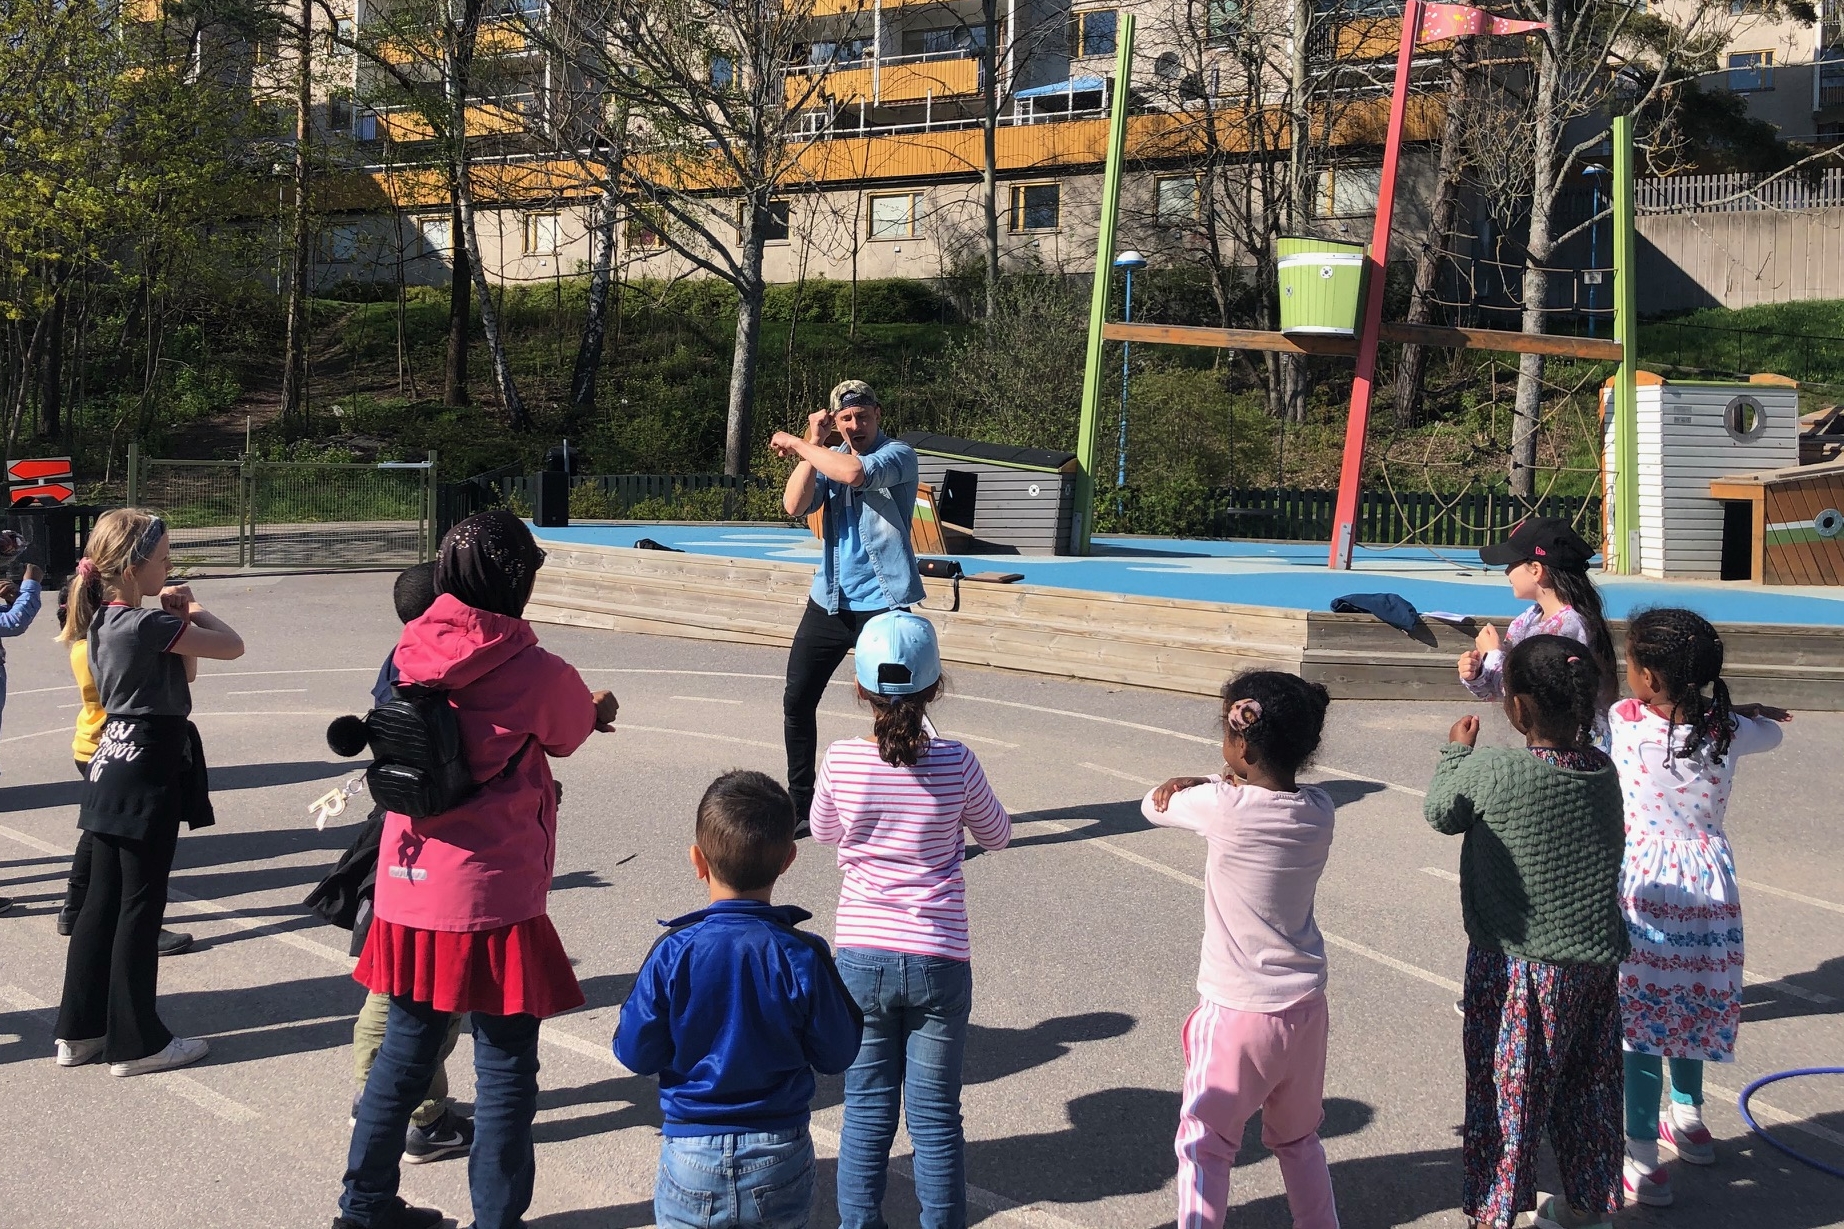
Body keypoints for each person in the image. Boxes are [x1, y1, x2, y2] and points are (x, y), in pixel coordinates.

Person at [336, 511, 619, 1229]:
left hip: (409, 879)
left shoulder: (411, 645)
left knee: (403, 1055)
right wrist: (593, 709)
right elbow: (568, 729)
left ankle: (362, 1208)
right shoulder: (536, 669)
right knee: (505, 1069)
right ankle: (496, 1217)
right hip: (491, 893)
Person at [809, 611, 1011, 1229]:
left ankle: (858, 1222)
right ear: (935, 686)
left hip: (861, 954)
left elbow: (821, 831)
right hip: (938, 953)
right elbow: (998, 835)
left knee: (865, 1110)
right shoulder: (956, 761)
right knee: (935, 1115)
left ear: (861, 687)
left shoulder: (842, 760)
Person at [1426, 635, 1628, 1229]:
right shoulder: (1602, 769)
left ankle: (1492, 1210)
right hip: (1593, 961)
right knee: (1590, 1089)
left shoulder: (1496, 769)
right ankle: (1590, 1205)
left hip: (1517, 967)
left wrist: (1454, 754)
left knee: (1505, 1098)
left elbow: (1441, 812)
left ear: (1515, 706)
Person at [616, 770, 864, 1229]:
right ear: (789, 859)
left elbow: (634, 1051)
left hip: (690, 1149)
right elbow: (838, 1053)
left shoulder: (675, 951)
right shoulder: (801, 954)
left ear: (697, 860)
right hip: (778, 1147)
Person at [1142, 671, 1339, 1229]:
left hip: (1235, 1011)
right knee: (1299, 1137)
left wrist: (1204, 781)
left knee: (1205, 1142)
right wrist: (1225, 779)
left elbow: (1149, 808)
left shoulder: (1222, 806)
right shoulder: (1321, 810)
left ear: (1241, 743)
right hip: (1304, 1010)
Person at [52, 510, 245, 1077]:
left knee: (101, 903)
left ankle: (80, 1028)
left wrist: (177, 612)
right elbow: (232, 646)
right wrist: (195, 608)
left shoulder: (104, 622)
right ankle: (138, 1041)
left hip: (111, 760)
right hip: (148, 764)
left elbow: (186, 673)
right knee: (140, 904)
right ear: (135, 568)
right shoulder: (145, 625)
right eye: (163, 562)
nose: (170, 570)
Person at [1612, 608, 1788, 1208]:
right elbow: (1775, 734)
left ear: (1651, 678)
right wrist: (1741, 715)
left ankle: (1642, 1160)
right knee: (1691, 999)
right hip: (1709, 888)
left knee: (1640, 1022)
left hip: (1645, 887)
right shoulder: (1730, 731)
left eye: (1631, 663)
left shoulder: (1624, 724)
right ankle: (1687, 1118)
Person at [305, 562, 470, 1161]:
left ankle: (385, 1095)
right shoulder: (444, 663)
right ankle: (414, 1114)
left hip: (397, 832)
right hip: (435, 840)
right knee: (425, 990)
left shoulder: (400, 656)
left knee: (398, 978)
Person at [769, 379, 924, 833]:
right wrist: (812, 445)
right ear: (836, 422)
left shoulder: (897, 455)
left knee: (900, 710)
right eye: (846, 418)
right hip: (831, 601)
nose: (856, 425)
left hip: (885, 604)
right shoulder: (827, 457)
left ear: (878, 415)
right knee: (797, 702)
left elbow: (856, 474)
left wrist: (798, 443)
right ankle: (802, 806)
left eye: (863, 416)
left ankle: (917, 808)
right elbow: (794, 504)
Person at [56, 580, 192, 954]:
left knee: (95, 836)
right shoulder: (107, 641)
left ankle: (72, 907)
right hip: (116, 747)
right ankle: (138, 925)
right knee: (130, 849)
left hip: (91, 743)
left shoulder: (83, 644)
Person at [1459, 517, 1616, 711]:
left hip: (1572, 738)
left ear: (1536, 570)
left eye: (1511, 562)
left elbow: (1531, 696)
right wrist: (1477, 674)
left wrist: (1493, 655)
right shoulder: (1529, 618)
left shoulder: (1570, 626)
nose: (1507, 571)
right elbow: (1500, 690)